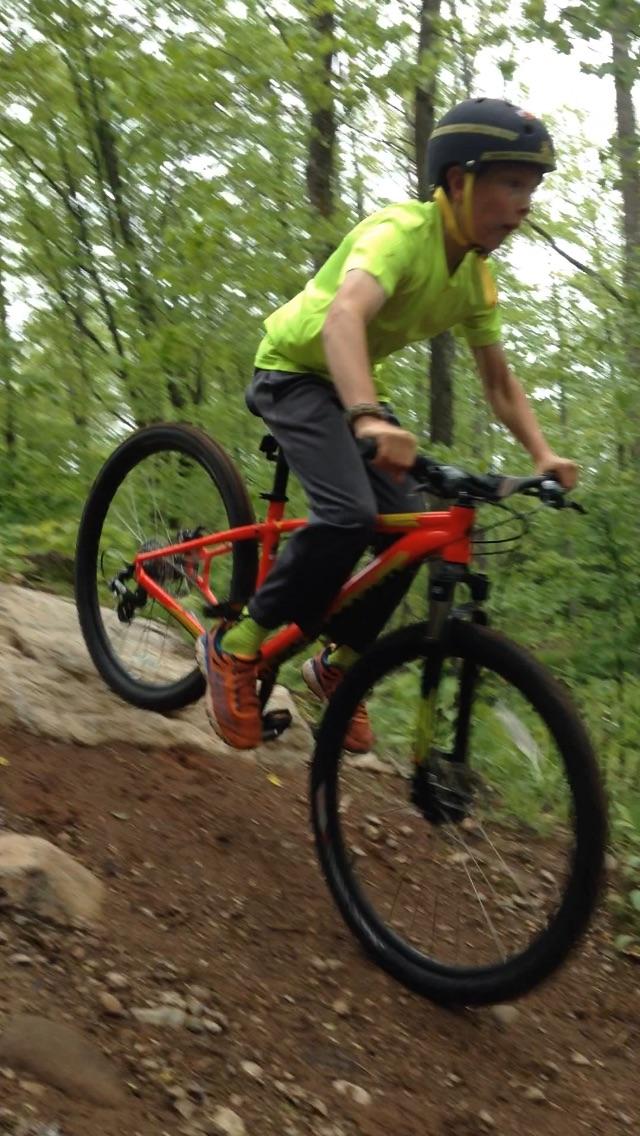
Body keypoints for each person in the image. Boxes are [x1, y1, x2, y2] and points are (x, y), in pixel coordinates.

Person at [197, 96, 577, 751]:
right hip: (294, 372)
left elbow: (498, 382)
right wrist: (369, 416)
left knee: (411, 528)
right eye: (512, 183)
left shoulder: (476, 281)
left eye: (533, 188)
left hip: (347, 390)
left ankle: (336, 665)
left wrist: (542, 455)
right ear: (458, 182)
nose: (525, 204)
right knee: (346, 514)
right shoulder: (400, 233)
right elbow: (346, 316)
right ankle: (236, 646)